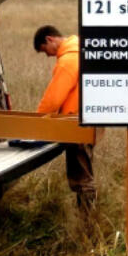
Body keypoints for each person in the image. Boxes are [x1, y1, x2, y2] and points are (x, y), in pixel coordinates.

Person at [34, 25, 96, 216]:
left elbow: (53, 99)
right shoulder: (81, 48)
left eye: (46, 51)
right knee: (86, 166)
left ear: (50, 39)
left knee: (81, 175)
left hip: (76, 123)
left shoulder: (68, 60)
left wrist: (36, 121)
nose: (49, 56)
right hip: (90, 118)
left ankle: (87, 220)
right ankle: (87, 214)